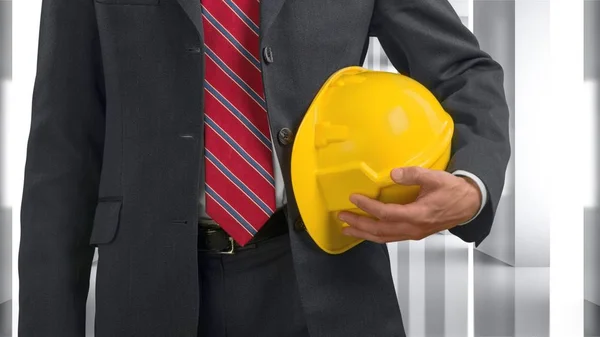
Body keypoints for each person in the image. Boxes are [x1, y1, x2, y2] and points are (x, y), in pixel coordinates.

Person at [18, 0, 511, 336]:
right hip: (146, 284)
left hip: (330, 277)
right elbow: (63, 142)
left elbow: (461, 71)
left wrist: (472, 186)